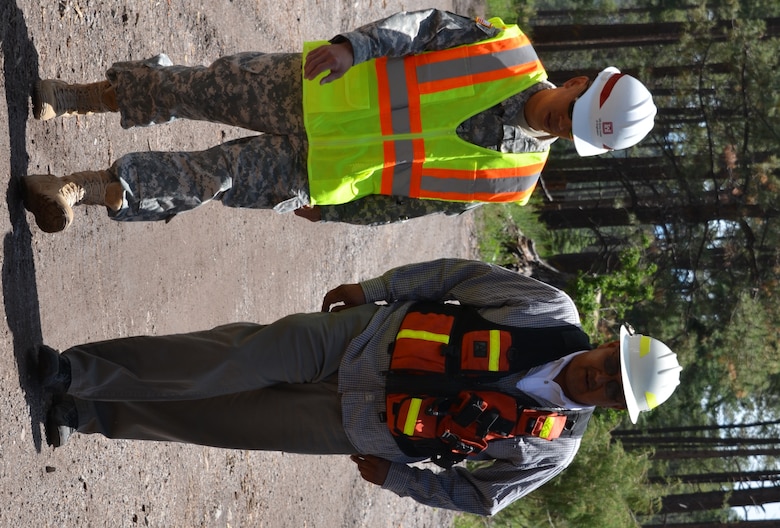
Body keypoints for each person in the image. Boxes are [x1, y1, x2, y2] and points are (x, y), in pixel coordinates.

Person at [37, 258, 682, 516]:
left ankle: (86, 413)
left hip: (363, 430)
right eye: (610, 365)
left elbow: (481, 497)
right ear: (608, 342)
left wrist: (400, 480)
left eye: (613, 392)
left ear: (616, 407)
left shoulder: (554, 447)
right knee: (228, 358)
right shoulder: (548, 309)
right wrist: (375, 289)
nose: (599, 380)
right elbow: (454, 276)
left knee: (223, 421)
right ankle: (76, 370)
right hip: (364, 337)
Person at [22, 9, 657, 233]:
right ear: (579, 84)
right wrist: (356, 44)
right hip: (320, 90)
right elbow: (425, 28)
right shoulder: (507, 52)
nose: (564, 123)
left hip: (321, 170)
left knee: (206, 181)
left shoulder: (512, 182)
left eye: (577, 133)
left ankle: (74, 188)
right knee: (198, 88)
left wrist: (337, 212)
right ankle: (79, 97)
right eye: (576, 110)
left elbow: (408, 205)